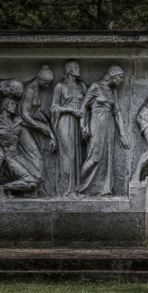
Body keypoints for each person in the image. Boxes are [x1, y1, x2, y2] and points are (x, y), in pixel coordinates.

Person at [78, 65, 130, 196]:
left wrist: (122, 134)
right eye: (120, 77)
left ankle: (104, 188)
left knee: (107, 157)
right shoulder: (95, 87)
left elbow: (117, 113)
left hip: (109, 125)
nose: (121, 80)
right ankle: (80, 186)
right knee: (94, 157)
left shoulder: (113, 91)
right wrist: (82, 125)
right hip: (96, 123)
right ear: (112, 75)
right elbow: (84, 106)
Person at [0, 97, 43, 198]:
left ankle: (12, 188)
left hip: (17, 156)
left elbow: (33, 124)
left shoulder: (17, 120)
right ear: (5, 105)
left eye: (16, 104)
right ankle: (2, 187)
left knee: (39, 177)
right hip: (7, 158)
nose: (15, 106)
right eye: (12, 104)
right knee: (31, 183)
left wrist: (49, 132)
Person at [19, 66, 58, 196]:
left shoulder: (39, 88)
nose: (47, 85)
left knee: (39, 155)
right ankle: (31, 191)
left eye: (49, 83)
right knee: (36, 156)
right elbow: (25, 115)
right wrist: (41, 127)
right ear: (39, 78)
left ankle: (38, 189)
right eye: (45, 82)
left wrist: (49, 130)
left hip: (31, 125)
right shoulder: (30, 89)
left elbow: (36, 114)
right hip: (22, 126)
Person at [50, 61, 87, 197]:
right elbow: (54, 107)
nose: (79, 69)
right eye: (76, 67)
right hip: (65, 122)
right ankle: (66, 190)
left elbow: (86, 105)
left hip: (79, 122)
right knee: (67, 155)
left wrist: (84, 125)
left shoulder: (82, 86)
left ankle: (76, 188)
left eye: (79, 66)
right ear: (69, 70)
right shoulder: (60, 86)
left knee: (77, 155)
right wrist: (70, 110)